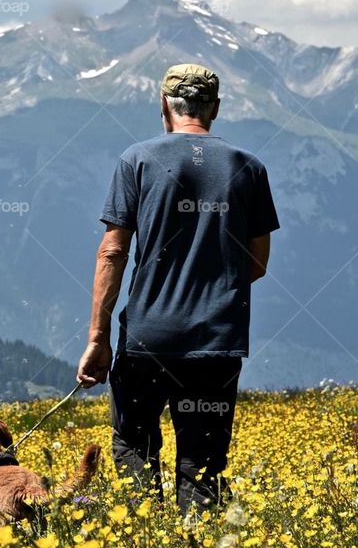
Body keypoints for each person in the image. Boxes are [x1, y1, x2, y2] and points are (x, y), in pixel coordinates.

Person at [76, 63, 280, 514]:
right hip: (215, 344)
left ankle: (143, 534)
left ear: (164, 105)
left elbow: (112, 253)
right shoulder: (250, 167)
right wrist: (211, 284)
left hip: (147, 338)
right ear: (216, 109)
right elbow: (257, 264)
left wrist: (97, 338)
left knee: (134, 449)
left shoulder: (138, 160)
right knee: (202, 465)